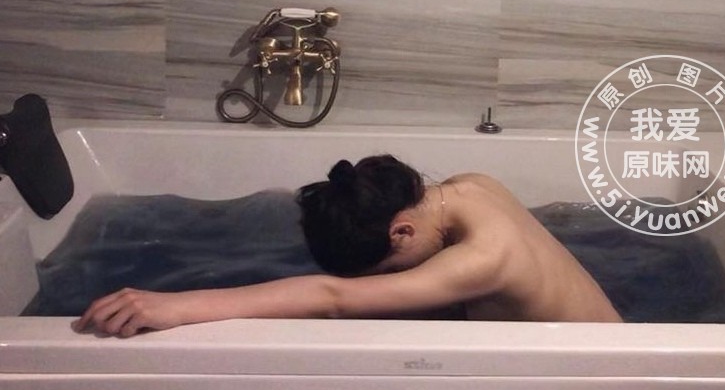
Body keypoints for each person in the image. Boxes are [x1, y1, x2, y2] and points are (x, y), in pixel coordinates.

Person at [73, 155, 621, 337]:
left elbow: (333, 297)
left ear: (401, 232)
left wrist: (173, 306)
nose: (390, 278)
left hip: (602, 381)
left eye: (388, 269)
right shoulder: (470, 187)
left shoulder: (485, 258)